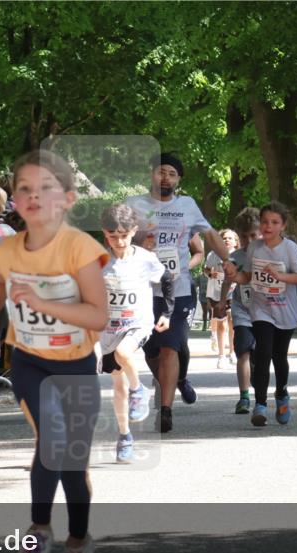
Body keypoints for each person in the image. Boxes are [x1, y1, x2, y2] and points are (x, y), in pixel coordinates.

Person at [0, 150, 108, 553]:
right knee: (53, 439)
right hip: (29, 360)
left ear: (67, 199)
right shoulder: (8, 248)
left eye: (44, 188)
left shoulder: (80, 249)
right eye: (24, 188)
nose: (32, 196)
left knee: (72, 456)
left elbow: (98, 315)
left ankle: (79, 540)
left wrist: (44, 304)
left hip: (76, 363)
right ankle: (40, 528)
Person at [124, 152, 236, 433]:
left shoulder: (187, 205)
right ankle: (174, 382)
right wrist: (138, 242)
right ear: (151, 175)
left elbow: (209, 236)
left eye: (172, 174)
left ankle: (165, 409)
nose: (166, 178)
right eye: (161, 171)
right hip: (142, 289)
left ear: (178, 180)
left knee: (169, 347)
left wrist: (228, 263)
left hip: (179, 288)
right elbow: (116, 237)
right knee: (151, 350)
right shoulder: (133, 204)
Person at [99, 205, 172, 463]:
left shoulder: (144, 258)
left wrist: (166, 312)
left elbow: (167, 279)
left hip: (138, 322)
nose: (119, 242)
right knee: (117, 385)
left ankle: (139, 389)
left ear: (133, 231)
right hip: (109, 328)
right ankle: (125, 436)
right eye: (112, 236)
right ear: (104, 234)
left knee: (123, 353)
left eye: (124, 235)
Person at [233, 202, 297, 427]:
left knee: (279, 357)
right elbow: (246, 276)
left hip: (285, 311)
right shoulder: (254, 248)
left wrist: (280, 276)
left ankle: (282, 394)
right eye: (265, 221)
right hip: (261, 309)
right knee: (263, 354)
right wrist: (232, 278)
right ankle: (261, 405)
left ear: (282, 226)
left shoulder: (291, 249)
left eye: (274, 222)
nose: (268, 226)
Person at [218, 207, 261, 415]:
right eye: (244, 237)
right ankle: (244, 397)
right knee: (242, 350)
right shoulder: (235, 257)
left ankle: (255, 374)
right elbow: (228, 280)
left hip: (266, 312)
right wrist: (221, 301)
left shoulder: (269, 254)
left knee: (260, 356)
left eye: (253, 235)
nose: (249, 240)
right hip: (242, 310)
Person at [205, 229, 237, 368]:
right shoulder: (214, 255)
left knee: (232, 321)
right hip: (217, 293)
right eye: (224, 238)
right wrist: (210, 274)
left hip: (234, 292)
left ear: (236, 242)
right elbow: (205, 269)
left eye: (230, 238)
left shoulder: (239, 255)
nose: (227, 240)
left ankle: (233, 352)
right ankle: (221, 356)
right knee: (221, 323)